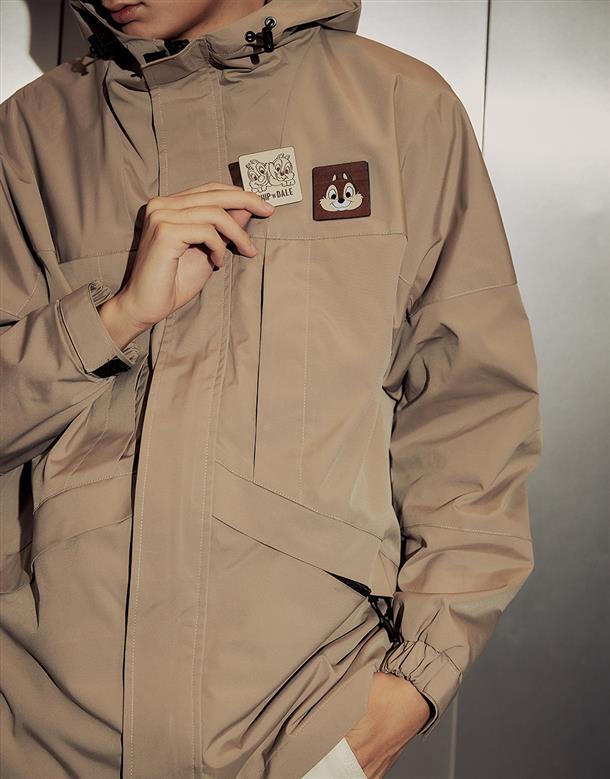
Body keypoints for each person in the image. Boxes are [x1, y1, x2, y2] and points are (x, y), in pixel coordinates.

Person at [0, 1, 542, 777]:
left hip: (303, 732)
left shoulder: (399, 111)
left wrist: (411, 688)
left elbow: (474, 420)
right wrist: (110, 320)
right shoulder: (29, 136)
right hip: (40, 736)